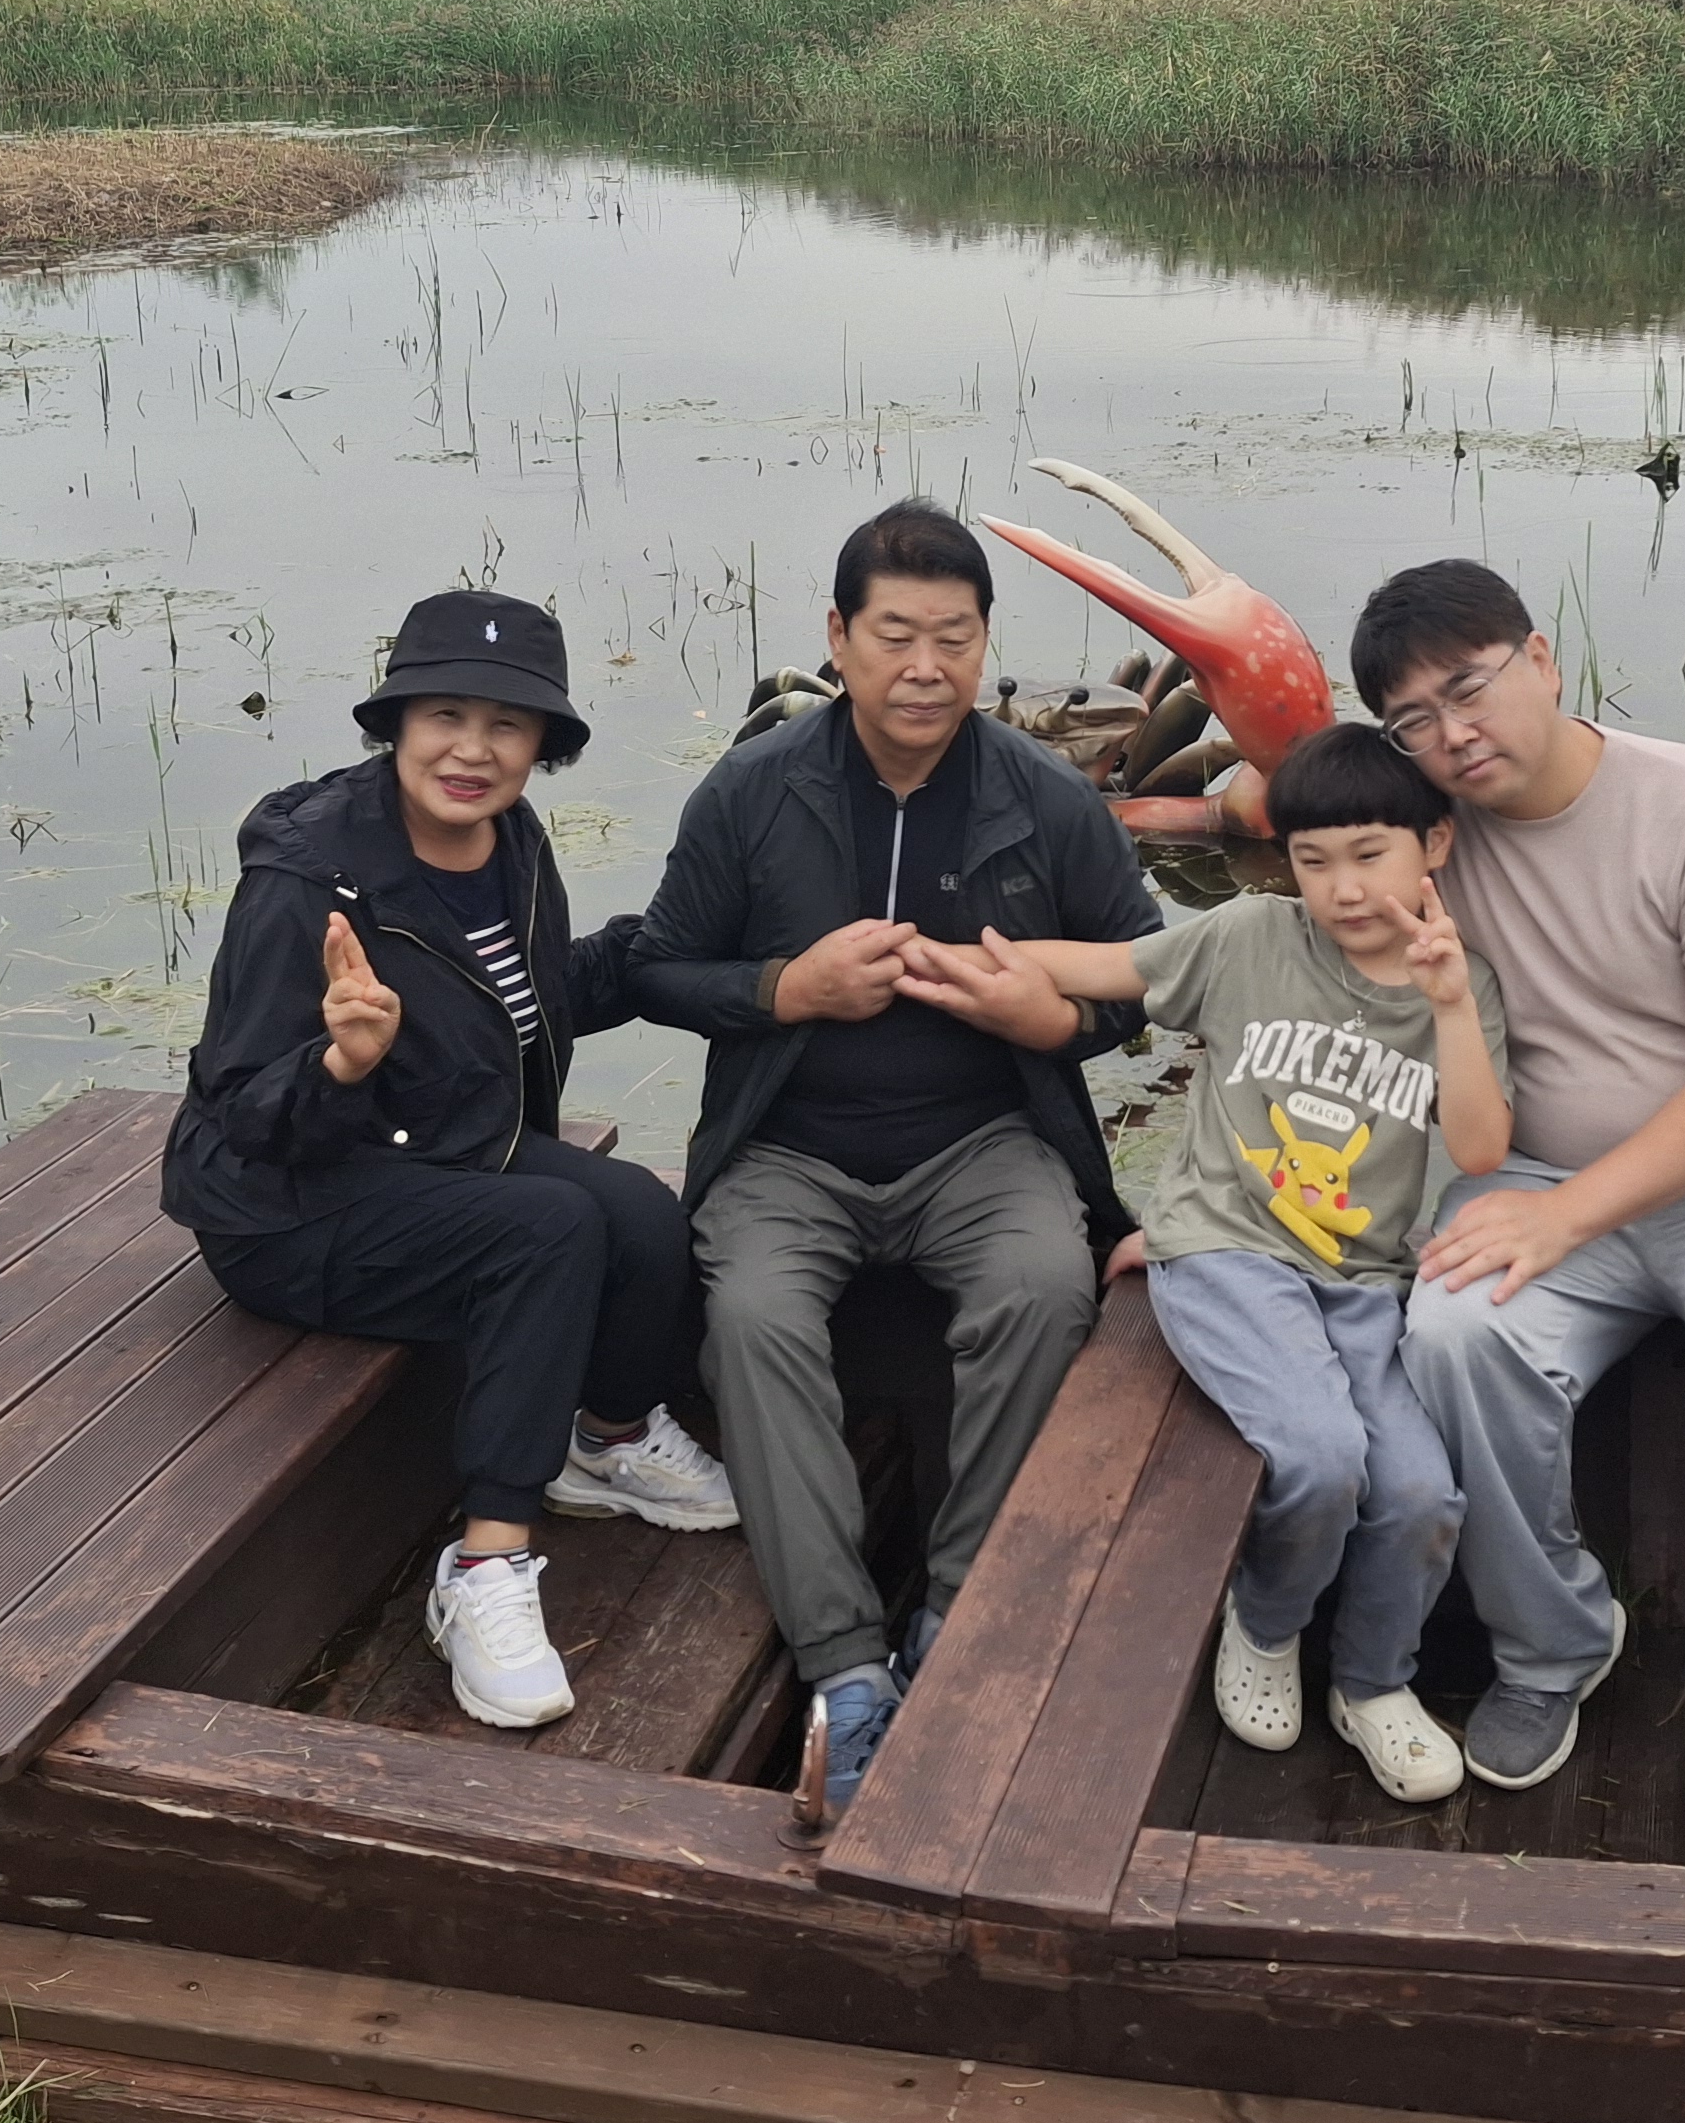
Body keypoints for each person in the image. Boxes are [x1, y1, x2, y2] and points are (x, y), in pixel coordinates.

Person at [629, 500, 1163, 1811]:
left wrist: (1052, 1021)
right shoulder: (753, 792)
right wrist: (785, 990)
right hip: (788, 1148)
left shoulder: (1047, 799)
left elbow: (1150, 971)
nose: (925, 668)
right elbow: (658, 967)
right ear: (840, 638)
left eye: (954, 638)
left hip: (985, 1141)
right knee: (751, 1318)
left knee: (1045, 1285)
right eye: (896, 636)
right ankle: (847, 1668)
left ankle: (960, 1617)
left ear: (984, 644)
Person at [1355, 560, 1685, 1871]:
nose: (1452, 734)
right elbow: (1291, 821)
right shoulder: (1428, 836)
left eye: (1469, 689)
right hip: (1540, 1179)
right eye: (1413, 721)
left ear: (1542, 659)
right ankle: (1554, 1644)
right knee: (1453, 1334)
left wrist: (1569, 1218)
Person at [163, 589, 734, 1734]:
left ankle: (607, 1440)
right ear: (397, 722)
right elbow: (244, 1114)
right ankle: (484, 1565)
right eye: (446, 717)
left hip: (444, 1145)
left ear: (542, 744)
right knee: (550, 1231)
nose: (473, 750)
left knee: (641, 1214)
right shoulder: (308, 879)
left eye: (507, 725)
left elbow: (531, 999)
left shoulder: (509, 840)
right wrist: (342, 1060)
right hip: (287, 1201)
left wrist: (697, 939)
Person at [904, 722, 1508, 1803]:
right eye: (1312, 860)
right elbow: (1105, 968)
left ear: (1435, 845)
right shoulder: (1249, 936)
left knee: (1422, 1492)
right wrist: (961, 956)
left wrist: (1452, 1004)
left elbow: (1478, 1149)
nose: (1343, 888)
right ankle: (1266, 1625)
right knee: (1320, 1453)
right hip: (1224, 1254)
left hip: (1362, 1281)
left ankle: (1373, 1682)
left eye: (1370, 855)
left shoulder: (1463, 986)